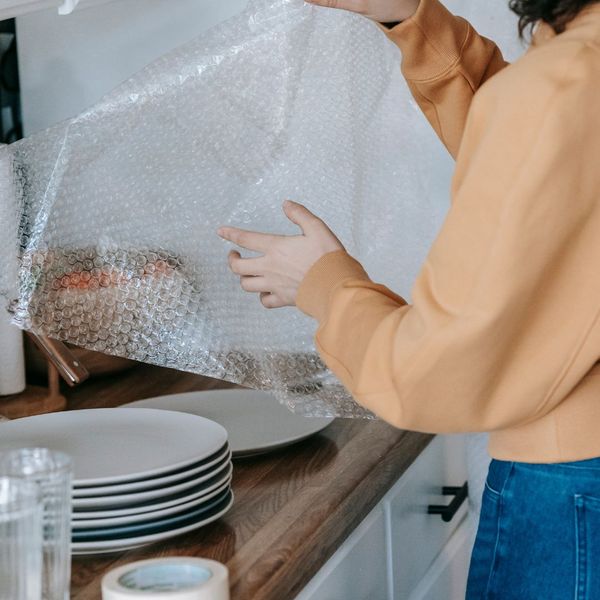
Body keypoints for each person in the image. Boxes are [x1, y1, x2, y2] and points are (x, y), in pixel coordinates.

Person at [217, 0, 600, 597]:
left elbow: (430, 372)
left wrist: (322, 282)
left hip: (574, 495)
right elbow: (561, 159)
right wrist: (414, 19)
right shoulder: (571, 81)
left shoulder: (557, 88)